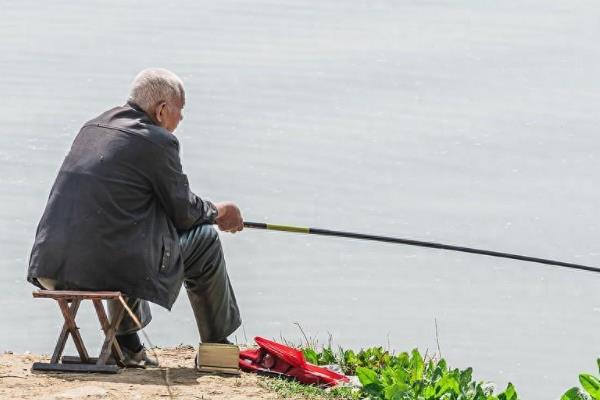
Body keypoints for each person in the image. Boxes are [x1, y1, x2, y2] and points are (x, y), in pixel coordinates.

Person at [27, 68, 243, 367]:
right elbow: (185, 213)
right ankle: (217, 349)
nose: (181, 119)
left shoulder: (93, 127)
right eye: (180, 111)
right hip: (103, 267)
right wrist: (219, 212)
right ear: (162, 109)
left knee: (131, 234)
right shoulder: (157, 141)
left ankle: (128, 345)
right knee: (205, 239)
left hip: (50, 265)